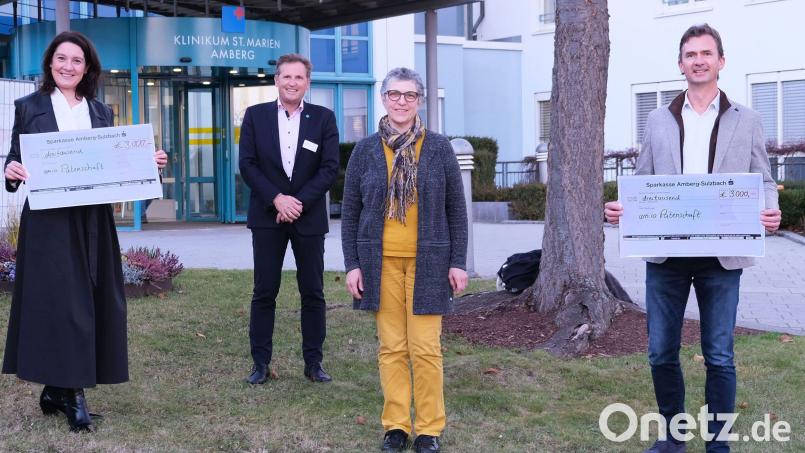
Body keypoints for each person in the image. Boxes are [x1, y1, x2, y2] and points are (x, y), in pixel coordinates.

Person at [604, 24, 781, 453]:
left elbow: (763, 178)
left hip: (722, 256)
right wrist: (620, 208)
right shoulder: (658, 119)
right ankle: (673, 436)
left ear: (721, 61)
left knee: (720, 356)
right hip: (667, 255)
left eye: (706, 53)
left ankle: (718, 444)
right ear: (680, 64)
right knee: (660, 353)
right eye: (690, 54)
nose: (698, 60)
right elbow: (642, 178)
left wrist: (771, 210)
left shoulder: (749, 119)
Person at [2, 31, 168, 432]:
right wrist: (11, 174)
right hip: (48, 220)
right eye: (61, 58)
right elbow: (14, 162)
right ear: (50, 63)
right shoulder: (28, 107)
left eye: (76, 60)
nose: (68, 66)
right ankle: (73, 394)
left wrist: (150, 164)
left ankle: (56, 389)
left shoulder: (100, 113)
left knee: (89, 299)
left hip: (92, 219)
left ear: (87, 68)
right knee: (61, 303)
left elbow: (115, 163)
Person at [341, 67, 468, 453]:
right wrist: (352, 264)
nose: (401, 102)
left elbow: (456, 210)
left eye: (409, 95)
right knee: (392, 347)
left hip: (429, 262)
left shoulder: (439, 147)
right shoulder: (364, 150)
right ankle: (396, 425)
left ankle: (428, 429)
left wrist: (458, 261)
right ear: (383, 99)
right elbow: (350, 210)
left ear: (419, 101)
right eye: (394, 94)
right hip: (379, 263)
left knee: (426, 348)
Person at [238, 53, 339, 384]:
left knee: (313, 292)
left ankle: (314, 364)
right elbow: (248, 165)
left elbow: (329, 168)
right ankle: (260, 364)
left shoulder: (323, 118)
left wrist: (298, 202)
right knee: (264, 291)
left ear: (308, 82)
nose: (292, 82)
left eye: (299, 77)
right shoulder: (255, 116)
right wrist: (277, 199)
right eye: (286, 77)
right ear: (276, 80)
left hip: (308, 219)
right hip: (268, 216)